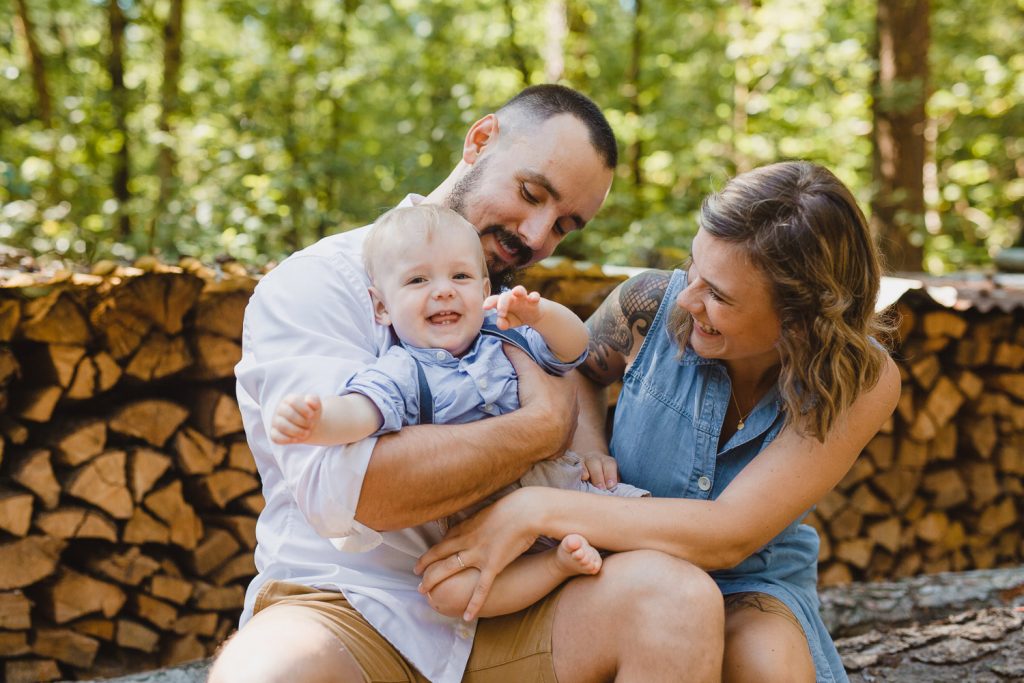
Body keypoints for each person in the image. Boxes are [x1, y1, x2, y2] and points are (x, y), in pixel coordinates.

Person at [210, 84, 725, 683]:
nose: (537, 237)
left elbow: (574, 370)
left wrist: (572, 443)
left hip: (515, 601)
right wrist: (539, 426)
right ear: (479, 141)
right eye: (531, 193)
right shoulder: (320, 284)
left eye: (564, 226)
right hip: (349, 606)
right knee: (267, 671)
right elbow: (355, 493)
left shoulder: (511, 308)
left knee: (677, 600)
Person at [416, 160, 902, 683]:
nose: (688, 298)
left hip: (751, 578)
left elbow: (730, 534)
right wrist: (588, 445)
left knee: (769, 663)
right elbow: (576, 370)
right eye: (694, 267)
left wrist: (536, 508)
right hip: (610, 554)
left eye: (719, 295)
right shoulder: (645, 304)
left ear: (800, 321)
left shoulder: (857, 378)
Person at [269, 204, 648, 621]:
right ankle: (558, 564)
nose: (444, 291)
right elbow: (363, 412)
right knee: (449, 593)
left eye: (461, 276)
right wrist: (318, 421)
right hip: (483, 528)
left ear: (485, 290)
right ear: (382, 307)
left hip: (570, 494)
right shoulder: (403, 370)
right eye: (418, 280)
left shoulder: (507, 336)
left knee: (647, 530)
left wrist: (540, 315)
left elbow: (573, 348)